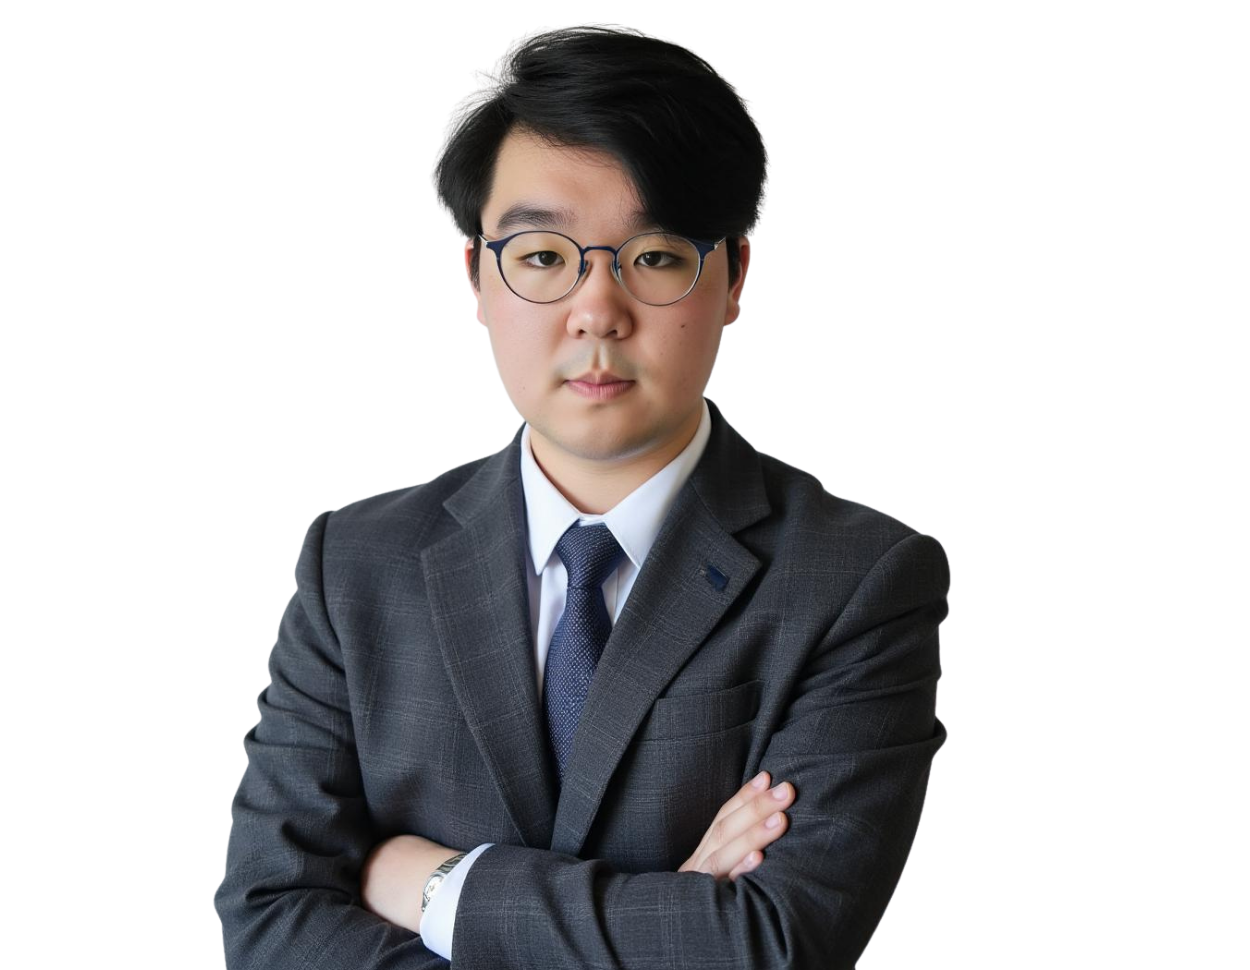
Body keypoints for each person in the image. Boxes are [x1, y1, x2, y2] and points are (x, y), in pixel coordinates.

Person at [214, 24, 948, 969]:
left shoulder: (859, 580)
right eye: (544, 257)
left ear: (734, 277)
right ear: (478, 277)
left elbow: (776, 944)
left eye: (652, 255)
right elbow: (268, 918)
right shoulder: (353, 563)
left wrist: (433, 884)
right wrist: (672, 919)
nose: (597, 311)